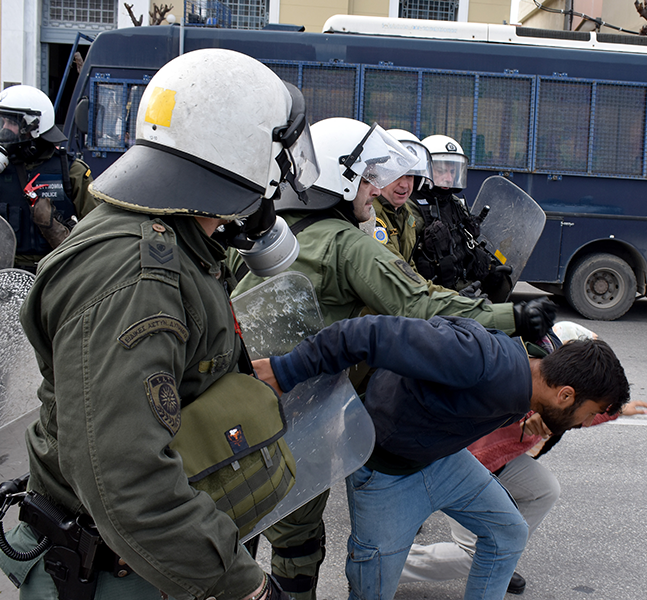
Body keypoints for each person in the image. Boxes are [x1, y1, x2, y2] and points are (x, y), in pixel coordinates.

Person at [2, 49, 319, 600]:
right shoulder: (136, 279)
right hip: (123, 572)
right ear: (246, 154)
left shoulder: (178, 234)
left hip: (157, 556)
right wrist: (246, 587)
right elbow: (128, 483)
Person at [229, 116, 556, 600]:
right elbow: (419, 307)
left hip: (239, 395)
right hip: (302, 406)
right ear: (340, 181)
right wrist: (513, 316)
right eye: (366, 179)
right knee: (297, 535)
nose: (375, 189)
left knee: (238, 517)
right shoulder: (348, 245)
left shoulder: (270, 234)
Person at [253, 314, 631, 600]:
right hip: (385, 473)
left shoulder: (530, 385)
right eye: (589, 413)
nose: (586, 423)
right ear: (565, 395)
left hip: (442, 460)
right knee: (372, 591)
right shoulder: (481, 360)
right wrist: (285, 371)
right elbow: (367, 333)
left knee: (508, 532)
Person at [398, 324, 647, 596]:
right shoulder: (520, 383)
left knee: (544, 489)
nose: (588, 420)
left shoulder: (557, 398)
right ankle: (389, 565)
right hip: (463, 463)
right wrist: (526, 414)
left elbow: (580, 415)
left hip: (497, 462)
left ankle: (499, 559)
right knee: (471, 553)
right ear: (565, 391)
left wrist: (618, 411)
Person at [0, 85, 97, 272]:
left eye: (11, 122)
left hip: (56, 271)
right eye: (2, 122)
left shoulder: (72, 171)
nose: (4, 129)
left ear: (34, 126)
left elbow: (95, 227)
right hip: (10, 273)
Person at [410, 134, 512, 300]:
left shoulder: (455, 203)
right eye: (441, 171)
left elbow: (465, 245)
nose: (449, 178)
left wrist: (488, 267)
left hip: (467, 288)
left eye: (453, 171)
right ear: (424, 169)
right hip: (435, 296)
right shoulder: (412, 207)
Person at [370, 129, 432, 264]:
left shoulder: (406, 212)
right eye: (396, 175)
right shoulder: (370, 216)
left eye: (409, 176)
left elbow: (409, 264)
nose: (404, 185)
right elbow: (396, 268)